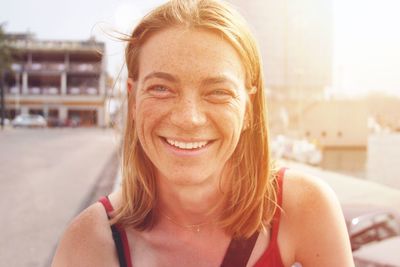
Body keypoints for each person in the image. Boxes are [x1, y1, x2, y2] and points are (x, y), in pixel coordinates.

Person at [52, 0, 354, 266]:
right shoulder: (89, 243)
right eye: (161, 88)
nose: (189, 119)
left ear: (248, 108)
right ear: (132, 99)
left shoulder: (303, 208)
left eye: (218, 92)